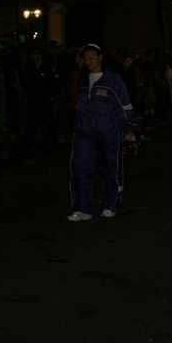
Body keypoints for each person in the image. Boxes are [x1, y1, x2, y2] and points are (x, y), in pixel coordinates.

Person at [68, 44, 135, 220]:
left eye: (91, 58)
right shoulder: (83, 81)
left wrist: (128, 130)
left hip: (110, 133)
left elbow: (125, 106)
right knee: (80, 169)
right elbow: (79, 107)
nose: (88, 61)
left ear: (100, 58)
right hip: (85, 133)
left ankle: (110, 204)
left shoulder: (114, 80)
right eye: (85, 58)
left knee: (111, 169)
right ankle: (82, 208)